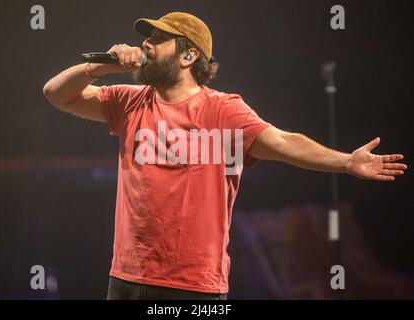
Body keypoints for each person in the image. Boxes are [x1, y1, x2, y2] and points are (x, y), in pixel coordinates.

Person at [42, 12, 407, 300]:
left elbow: (283, 142)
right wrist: (101, 67)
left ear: (189, 55)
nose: (145, 44)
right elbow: (56, 93)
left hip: (192, 285)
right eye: (146, 37)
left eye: (158, 39)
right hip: (125, 277)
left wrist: (346, 161)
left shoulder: (223, 111)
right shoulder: (130, 100)